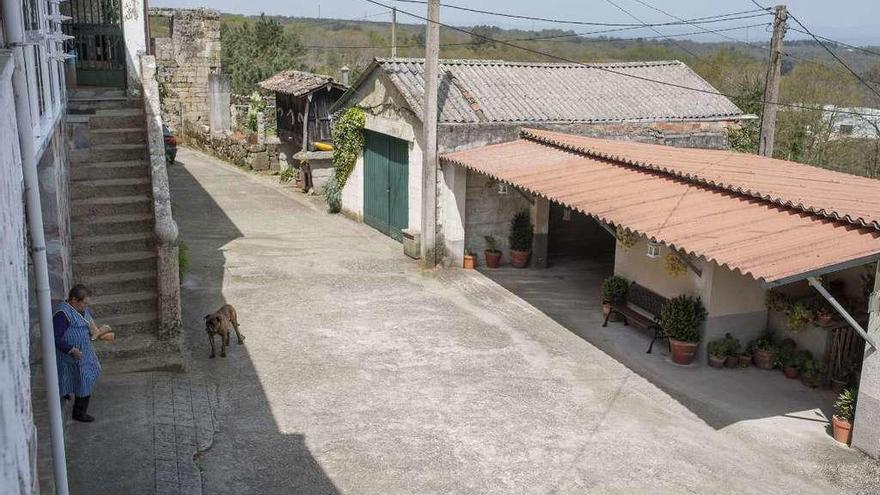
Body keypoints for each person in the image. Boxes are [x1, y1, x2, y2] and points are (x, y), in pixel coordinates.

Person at [54, 284, 106, 423]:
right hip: (72, 354)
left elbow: (88, 323)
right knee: (84, 379)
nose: (86, 306)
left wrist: (96, 331)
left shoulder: (81, 309)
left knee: (86, 375)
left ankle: (67, 394)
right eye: (84, 303)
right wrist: (72, 349)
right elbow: (55, 338)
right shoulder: (62, 314)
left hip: (84, 352)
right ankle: (79, 412)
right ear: (74, 300)